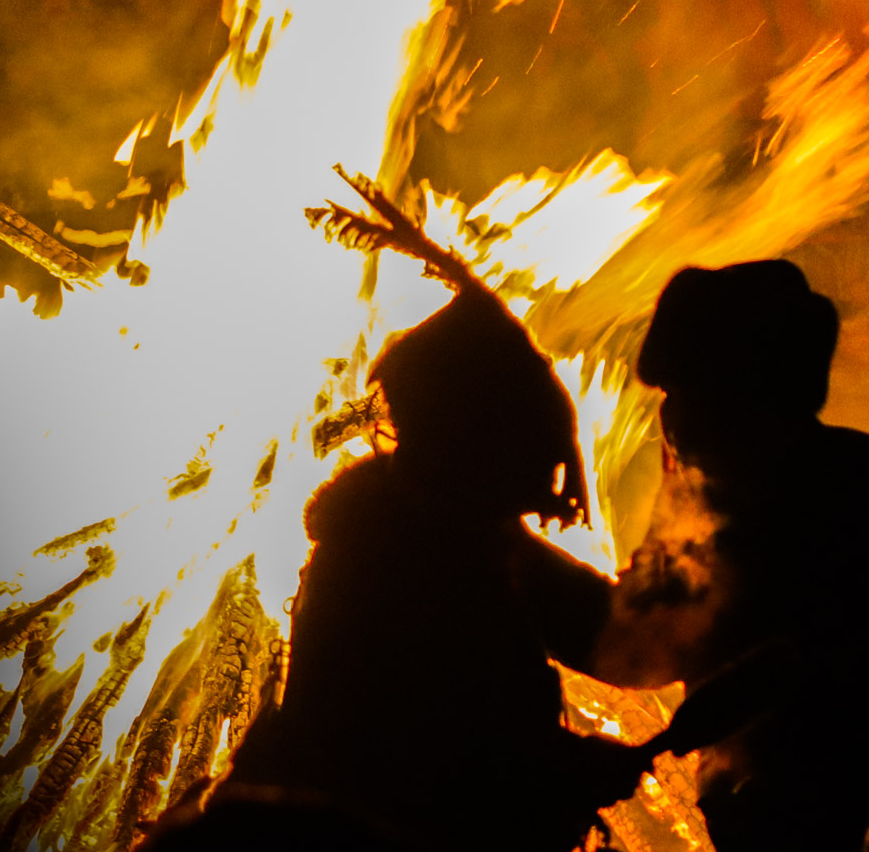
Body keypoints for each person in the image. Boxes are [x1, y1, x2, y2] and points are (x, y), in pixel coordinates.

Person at [219, 285, 645, 851]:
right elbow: (418, 763)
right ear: (483, 436)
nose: (552, 457)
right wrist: (563, 771)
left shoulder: (455, 526)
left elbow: (616, 639)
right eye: (528, 427)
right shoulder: (397, 555)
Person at [599, 260, 869, 852]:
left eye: (689, 393)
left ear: (752, 396)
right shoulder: (710, 499)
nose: (671, 420)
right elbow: (634, 644)